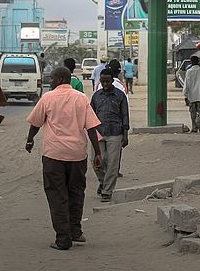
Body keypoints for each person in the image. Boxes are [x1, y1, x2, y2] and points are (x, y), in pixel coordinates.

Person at [25, 67, 103, 251]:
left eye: (52, 78)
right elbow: (91, 128)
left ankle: (63, 239)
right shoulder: (81, 98)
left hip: (54, 155)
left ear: (60, 79)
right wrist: (98, 152)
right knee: (76, 193)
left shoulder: (48, 98)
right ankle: (75, 231)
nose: (50, 81)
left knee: (57, 195)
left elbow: (36, 123)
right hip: (77, 155)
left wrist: (29, 140)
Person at [90, 67, 130, 202]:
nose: (105, 84)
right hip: (99, 133)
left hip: (115, 133)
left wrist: (125, 134)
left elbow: (125, 115)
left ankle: (107, 191)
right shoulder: (96, 96)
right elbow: (90, 115)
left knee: (113, 164)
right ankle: (103, 182)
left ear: (112, 80)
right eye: (103, 82)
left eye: (107, 81)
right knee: (95, 162)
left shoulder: (120, 95)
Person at [182, 55, 200, 133]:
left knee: (192, 112)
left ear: (191, 62)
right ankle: (199, 122)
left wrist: (186, 95)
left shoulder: (189, 71)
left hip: (192, 96)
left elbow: (186, 84)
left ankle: (194, 127)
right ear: (198, 62)